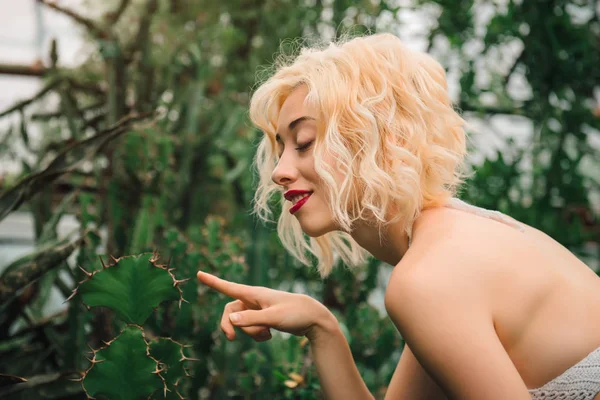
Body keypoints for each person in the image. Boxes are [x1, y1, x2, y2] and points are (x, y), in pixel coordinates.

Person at [196, 33, 600, 400]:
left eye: (303, 143)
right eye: (281, 147)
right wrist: (322, 328)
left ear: (376, 139)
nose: (279, 171)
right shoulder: (451, 243)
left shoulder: (429, 280)